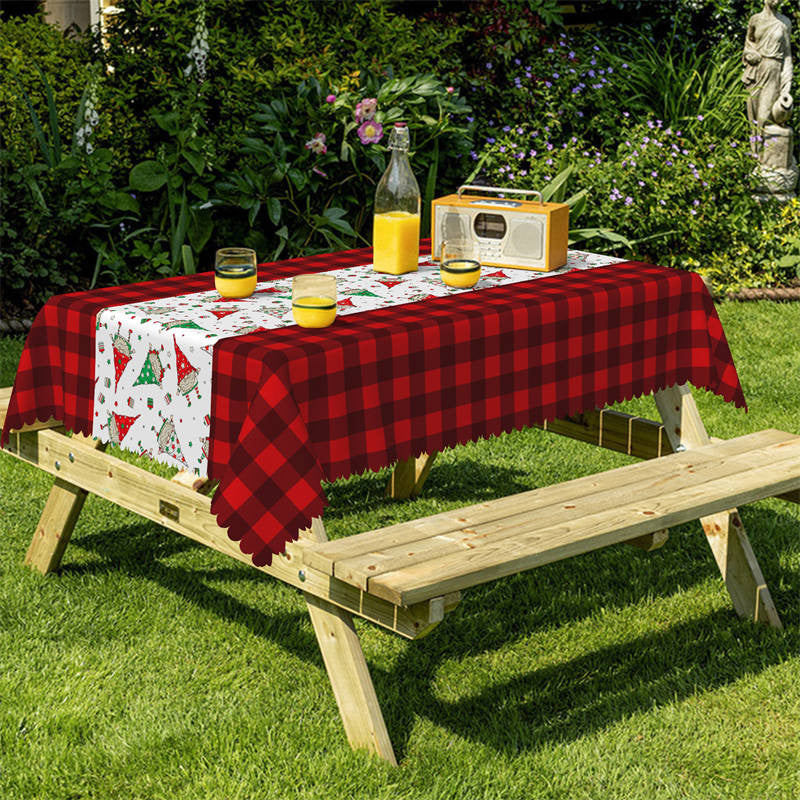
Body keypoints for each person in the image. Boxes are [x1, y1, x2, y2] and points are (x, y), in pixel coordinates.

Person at [742, 0, 793, 139]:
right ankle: (755, 156)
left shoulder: (785, 22)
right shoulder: (755, 20)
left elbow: (787, 56)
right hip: (755, 71)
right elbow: (748, 45)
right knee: (752, 117)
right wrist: (749, 54)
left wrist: (786, 85)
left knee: (763, 117)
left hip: (773, 72)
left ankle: (766, 155)